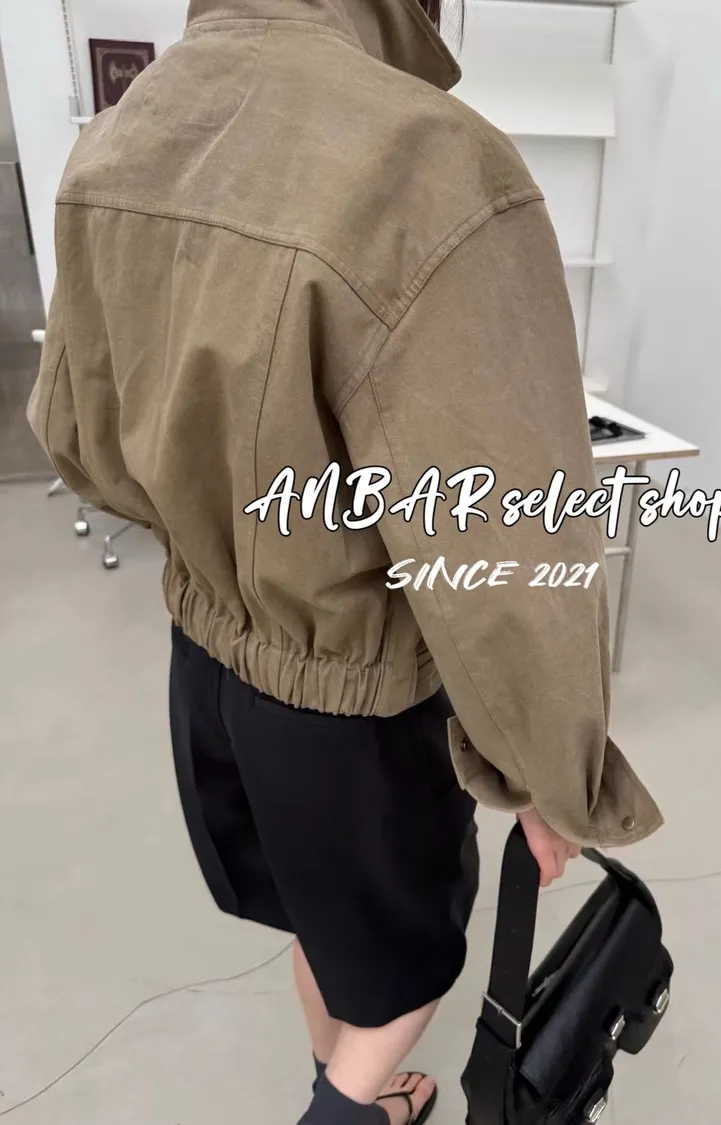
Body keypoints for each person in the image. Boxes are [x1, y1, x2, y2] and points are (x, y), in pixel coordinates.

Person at [28, 1, 663, 1122]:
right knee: (406, 975)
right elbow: (507, 539)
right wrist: (553, 774)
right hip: (358, 704)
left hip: (207, 659)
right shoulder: (428, 163)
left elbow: (74, 435)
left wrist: (219, 531)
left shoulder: (128, 130)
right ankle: (341, 1106)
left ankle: (354, 1096)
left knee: (316, 923)